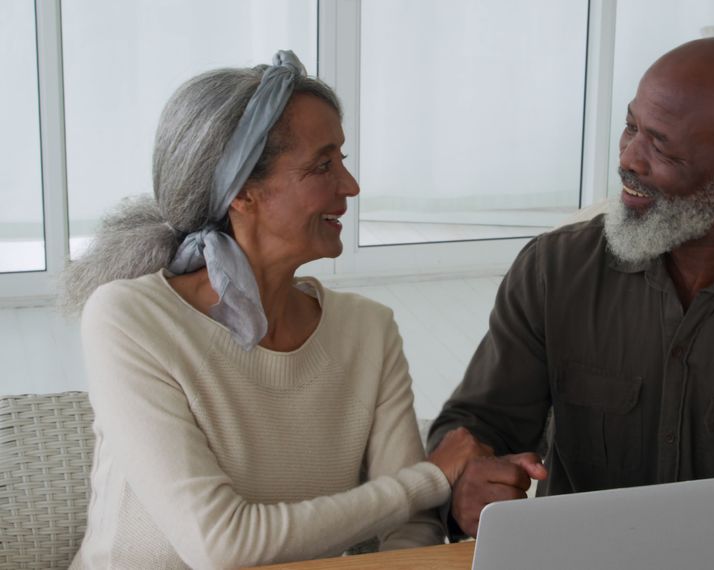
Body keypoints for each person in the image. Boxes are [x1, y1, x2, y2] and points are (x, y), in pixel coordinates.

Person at [428, 36, 714, 537]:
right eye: (631, 126)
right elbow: (478, 426)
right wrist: (470, 480)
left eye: (661, 146)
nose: (629, 158)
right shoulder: (554, 270)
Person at [62, 51, 486, 568]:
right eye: (322, 166)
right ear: (242, 191)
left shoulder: (369, 331)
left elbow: (411, 524)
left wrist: (416, 500)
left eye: (343, 161)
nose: (350, 187)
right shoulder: (130, 320)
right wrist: (430, 478)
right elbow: (222, 545)